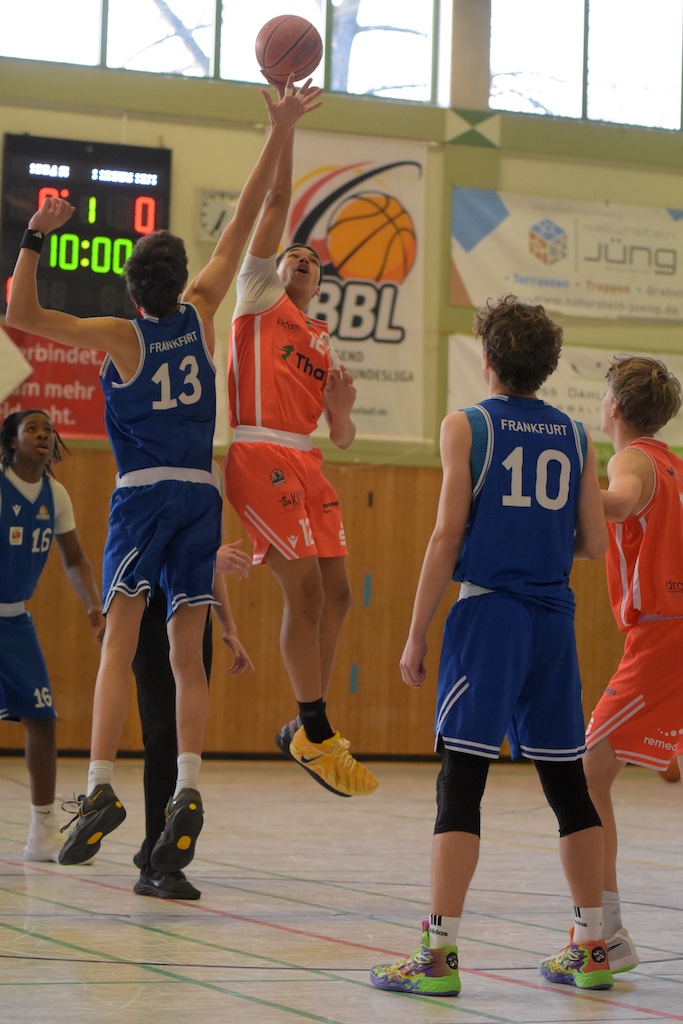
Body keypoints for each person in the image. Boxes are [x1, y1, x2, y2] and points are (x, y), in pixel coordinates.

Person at [5, 78, 322, 869]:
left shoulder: (120, 335)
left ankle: (103, 782)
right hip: (201, 498)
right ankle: (186, 782)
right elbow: (247, 216)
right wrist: (279, 128)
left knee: (119, 641)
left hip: (142, 498)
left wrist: (35, 234)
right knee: (186, 652)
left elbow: (23, 314)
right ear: (180, 282)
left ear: (130, 286)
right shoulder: (206, 306)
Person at [369, 295, 611, 998]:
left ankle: (438, 954)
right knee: (566, 786)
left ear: (487, 360)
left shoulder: (465, 426)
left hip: (489, 619)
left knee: (460, 783)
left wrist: (415, 631)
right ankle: (591, 943)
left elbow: (447, 536)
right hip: (552, 624)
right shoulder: (573, 435)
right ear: (545, 367)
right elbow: (594, 543)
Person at [224, 81, 378, 800]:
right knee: (306, 590)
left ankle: (303, 727)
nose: (301, 261)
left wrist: (341, 410)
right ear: (272, 270)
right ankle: (313, 728)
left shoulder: (318, 338)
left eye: (312, 260)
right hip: (258, 452)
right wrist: (284, 129)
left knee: (339, 592)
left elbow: (340, 438)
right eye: (291, 257)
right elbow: (277, 208)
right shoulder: (255, 299)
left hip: (306, 457)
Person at [579, 355, 683, 974]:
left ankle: (603, 933)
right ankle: (604, 929)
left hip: (663, 637)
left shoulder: (632, 458)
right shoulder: (671, 461)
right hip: (665, 633)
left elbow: (616, 505)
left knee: (586, 778)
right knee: (592, 778)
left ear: (613, 407)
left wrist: (560, 486)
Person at [0, 409, 103, 862]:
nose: (43, 435)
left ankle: (41, 830)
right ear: (13, 441)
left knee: (42, 718)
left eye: (48, 430)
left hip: (15, 619)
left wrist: (94, 604)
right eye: (32, 429)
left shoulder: (55, 494)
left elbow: (76, 559)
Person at [133, 545, 252, 900]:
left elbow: (206, 556)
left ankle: (153, 843)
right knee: (163, 733)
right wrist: (205, 557)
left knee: (185, 733)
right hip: (149, 608)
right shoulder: (143, 489)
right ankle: (156, 868)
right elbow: (141, 550)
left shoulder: (205, 493)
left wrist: (228, 626)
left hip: (192, 608)